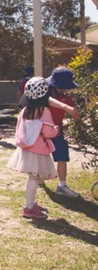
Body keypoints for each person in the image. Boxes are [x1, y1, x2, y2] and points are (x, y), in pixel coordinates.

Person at [7, 76, 58, 219]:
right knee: (34, 179)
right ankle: (28, 207)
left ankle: (31, 204)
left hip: (26, 150)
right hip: (38, 151)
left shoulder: (25, 110)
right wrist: (56, 129)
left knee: (33, 177)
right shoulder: (44, 111)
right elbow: (48, 132)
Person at [47, 67, 80, 198]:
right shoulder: (46, 92)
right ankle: (36, 178)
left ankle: (62, 186)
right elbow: (47, 100)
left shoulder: (67, 97)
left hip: (57, 131)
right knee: (39, 157)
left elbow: (75, 110)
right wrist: (65, 107)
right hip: (42, 130)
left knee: (62, 155)